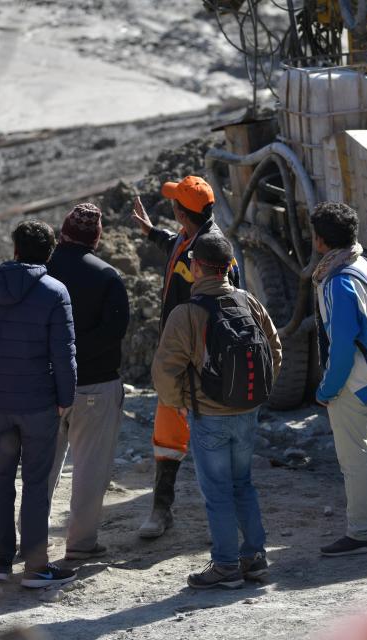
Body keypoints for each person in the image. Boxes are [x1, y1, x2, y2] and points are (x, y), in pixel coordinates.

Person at [151, 234, 281, 589]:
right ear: (227, 268)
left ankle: (225, 566)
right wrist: (253, 396)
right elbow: (275, 351)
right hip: (247, 413)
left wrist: (179, 403)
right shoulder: (249, 301)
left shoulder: (186, 314)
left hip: (208, 417)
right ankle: (255, 559)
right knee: (243, 485)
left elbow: (164, 371)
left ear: (195, 268)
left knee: (218, 493)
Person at [0, 219, 77, 588]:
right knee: (34, 484)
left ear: (14, 249)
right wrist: (65, 399)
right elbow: (64, 355)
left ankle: (0, 564)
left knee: (1, 483)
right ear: (49, 252)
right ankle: (35, 567)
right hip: (40, 404)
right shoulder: (54, 291)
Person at [131, 175, 240, 539]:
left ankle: (224, 522)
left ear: (181, 211)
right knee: (168, 435)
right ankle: (162, 509)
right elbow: (175, 244)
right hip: (180, 354)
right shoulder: (191, 236)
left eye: (174, 202)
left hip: (199, 357)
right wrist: (151, 233)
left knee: (210, 435)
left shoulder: (210, 250)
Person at [43, 203, 130, 561]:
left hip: (44, 385)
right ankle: (79, 545)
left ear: (63, 232)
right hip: (95, 386)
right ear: (96, 238)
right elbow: (114, 333)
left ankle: (28, 539)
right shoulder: (108, 276)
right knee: (90, 471)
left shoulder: (41, 271)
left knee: (40, 469)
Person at [310, 202, 367, 557]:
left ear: (321, 240)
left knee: (353, 461)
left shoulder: (336, 281)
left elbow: (340, 345)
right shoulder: (365, 265)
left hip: (352, 383)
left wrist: (328, 389)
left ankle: (360, 534)